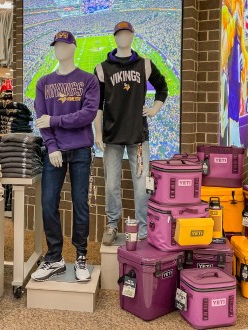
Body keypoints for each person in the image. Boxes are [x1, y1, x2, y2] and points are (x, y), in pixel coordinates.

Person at [32, 31, 100, 282]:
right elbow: (42, 120)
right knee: (48, 203)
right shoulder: (43, 82)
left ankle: (81, 256)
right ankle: (54, 257)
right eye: (56, 45)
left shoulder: (88, 80)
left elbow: (87, 115)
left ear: (73, 47)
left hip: (81, 149)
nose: (59, 48)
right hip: (55, 150)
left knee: (80, 204)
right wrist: (51, 146)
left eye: (63, 44)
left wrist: (56, 120)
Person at [94, 21, 168, 245]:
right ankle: (111, 224)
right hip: (112, 135)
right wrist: (97, 133)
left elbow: (162, 87)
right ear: (115, 37)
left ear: (133, 36)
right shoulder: (101, 68)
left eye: (127, 33)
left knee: (141, 185)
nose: (124, 37)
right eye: (120, 34)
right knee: (111, 184)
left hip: (137, 136)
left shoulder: (144, 64)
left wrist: (155, 108)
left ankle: (143, 229)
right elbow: (97, 105)